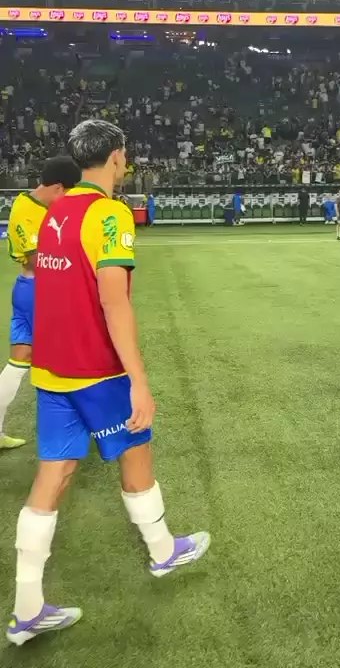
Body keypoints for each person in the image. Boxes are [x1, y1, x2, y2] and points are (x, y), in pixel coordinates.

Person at [6, 120, 210, 646]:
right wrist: (138, 380)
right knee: (136, 453)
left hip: (53, 369)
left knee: (53, 475)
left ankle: (27, 608)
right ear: (117, 156)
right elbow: (113, 301)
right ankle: (163, 551)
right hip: (96, 369)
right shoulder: (108, 213)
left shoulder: (55, 210)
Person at [0, 156, 81, 450]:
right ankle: (77, 428)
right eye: (67, 192)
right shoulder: (27, 211)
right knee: (68, 358)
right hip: (40, 290)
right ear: (58, 187)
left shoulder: (36, 206)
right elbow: (41, 262)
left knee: (20, 358)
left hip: (29, 289)